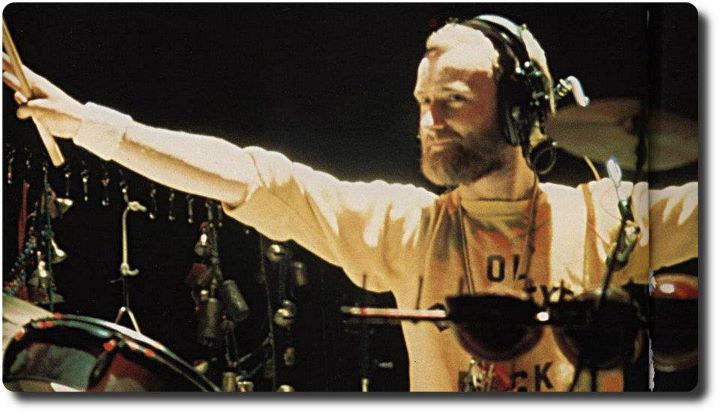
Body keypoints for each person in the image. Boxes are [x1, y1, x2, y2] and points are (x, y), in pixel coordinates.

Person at [2, 15, 697, 392]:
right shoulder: (403, 227)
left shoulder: (608, 219)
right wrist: (92, 125)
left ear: (523, 110)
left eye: (452, 102)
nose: (428, 122)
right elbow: (252, 176)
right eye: (422, 102)